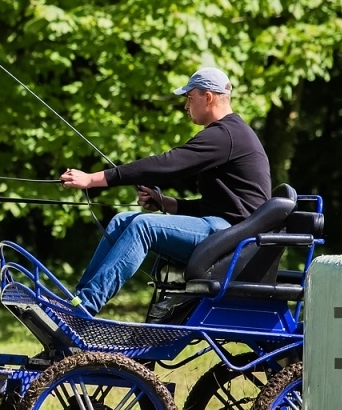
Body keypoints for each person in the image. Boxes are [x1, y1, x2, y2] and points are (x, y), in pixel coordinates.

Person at [61, 66, 271, 313]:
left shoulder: (225, 134)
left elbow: (167, 164)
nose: (186, 107)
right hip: (224, 229)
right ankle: (76, 302)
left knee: (143, 227)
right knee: (121, 221)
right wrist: (168, 203)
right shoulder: (228, 134)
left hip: (233, 239)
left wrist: (93, 179)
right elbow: (224, 204)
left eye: (189, 98)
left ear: (208, 97)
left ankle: (84, 308)